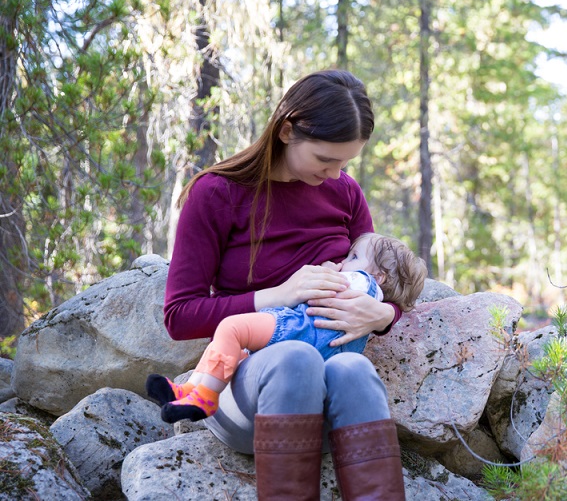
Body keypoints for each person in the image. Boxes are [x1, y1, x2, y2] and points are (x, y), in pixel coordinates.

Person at [158, 69, 415, 500]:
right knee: (294, 357)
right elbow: (179, 315)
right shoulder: (216, 194)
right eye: (325, 160)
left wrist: (384, 314)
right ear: (285, 130)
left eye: (345, 164)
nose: (336, 175)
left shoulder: (345, 194)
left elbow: (383, 277)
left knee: (353, 367)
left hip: (336, 407)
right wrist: (276, 296)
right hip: (247, 397)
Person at [147, 232, 426, 424]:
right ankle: (189, 392)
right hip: (316, 348)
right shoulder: (366, 289)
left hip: (299, 329)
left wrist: (326, 272)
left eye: (352, 256)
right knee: (236, 350)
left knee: (232, 329)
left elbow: (320, 294)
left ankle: (204, 396)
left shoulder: (361, 282)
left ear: (378, 276)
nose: (343, 261)